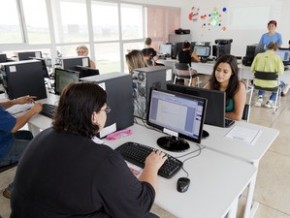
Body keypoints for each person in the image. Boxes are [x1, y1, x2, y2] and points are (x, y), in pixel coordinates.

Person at [10, 82, 167, 218]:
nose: (107, 113)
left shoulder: (44, 135)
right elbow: (138, 207)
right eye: (105, 109)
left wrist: (116, 176)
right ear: (94, 116)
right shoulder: (103, 159)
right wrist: (151, 166)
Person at [0, 95, 42, 199]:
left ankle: (28, 166)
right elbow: (14, 127)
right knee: (40, 152)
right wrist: (33, 111)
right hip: (2, 149)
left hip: (3, 139)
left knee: (27, 135)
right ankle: (13, 189)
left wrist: (15, 102)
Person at [204, 54, 246, 120]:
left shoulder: (239, 87)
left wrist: (216, 114)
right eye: (218, 70)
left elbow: (237, 116)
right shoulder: (211, 83)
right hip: (214, 119)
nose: (220, 74)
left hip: (230, 122)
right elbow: (201, 101)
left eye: (225, 72)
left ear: (232, 73)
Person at [251, 42, 284, 108]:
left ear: (267, 47)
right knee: (282, 83)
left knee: (263, 80)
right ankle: (270, 101)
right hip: (272, 85)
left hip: (257, 84)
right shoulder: (277, 57)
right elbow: (280, 72)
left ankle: (259, 98)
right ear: (276, 49)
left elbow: (252, 69)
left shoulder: (258, 55)